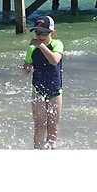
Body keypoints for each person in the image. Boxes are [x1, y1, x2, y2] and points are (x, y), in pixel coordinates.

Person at [22, 15, 64, 149]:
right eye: (37, 33)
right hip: (38, 90)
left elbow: (54, 60)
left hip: (55, 91)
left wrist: (40, 46)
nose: (40, 36)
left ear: (52, 32)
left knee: (53, 126)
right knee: (39, 125)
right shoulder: (32, 49)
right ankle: (38, 150)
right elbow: (25, 71)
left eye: (44, 33)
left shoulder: (57, 44)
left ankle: (51, 149)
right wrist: (26, 68)